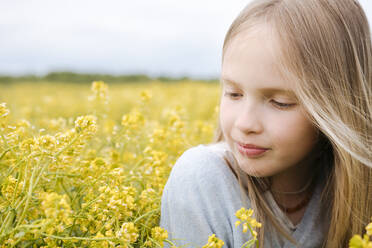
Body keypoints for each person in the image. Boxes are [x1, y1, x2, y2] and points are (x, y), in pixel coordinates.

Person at [160, 0, 372, 247]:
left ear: (337, 106)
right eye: (233, 94)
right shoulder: (202, 180)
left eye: (280, 102)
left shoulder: (355, 193)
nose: (245, 123)